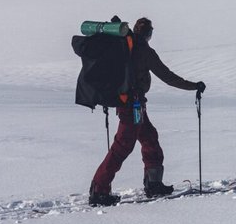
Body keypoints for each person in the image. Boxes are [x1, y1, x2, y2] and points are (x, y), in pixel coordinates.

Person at [88, 17, 207, 207]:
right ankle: (99, 190)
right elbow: (168, 77)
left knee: (149, 138)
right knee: (122, 147)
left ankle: (154, 183)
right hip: (132, 106)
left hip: (132, 104)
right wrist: (193, 86)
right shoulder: (144, 51)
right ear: (148, 34)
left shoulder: (125, 46)